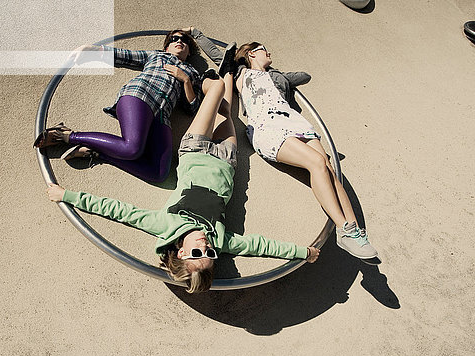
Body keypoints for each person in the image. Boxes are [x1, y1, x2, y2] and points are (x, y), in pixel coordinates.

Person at [46, 65, 320, 293]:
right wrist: (302, 252)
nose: (206, 249)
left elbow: (119, 211)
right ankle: (230, 68)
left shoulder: (166, 225)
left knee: (216, 90)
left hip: (195, 149)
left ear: (180, 253)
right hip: (227, 158)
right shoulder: (222, 241)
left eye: (197, 254)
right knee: (229, 111)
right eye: (210, 256)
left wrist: (67, 196)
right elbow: (260, 246)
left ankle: (201, 81)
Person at [191, 30, 377, 260]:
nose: (269, 52)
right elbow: (218, 55)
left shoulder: (278, 76)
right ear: (251, 53)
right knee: (317, 162)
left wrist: (280, 76)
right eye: (264, 49)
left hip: (294, 121)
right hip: (268, 124)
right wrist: (196, 34)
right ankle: (344, 230)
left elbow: (304, 76)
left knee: (328, 167)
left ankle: (356, 231)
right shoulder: (239, 72)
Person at [34, 30, 204, 183]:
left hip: (162, 117)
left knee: (159, 173)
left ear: (189, 51)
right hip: (140, 96)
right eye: (174, 38)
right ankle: (67, 135)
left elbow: (192, 108)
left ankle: (97, 153)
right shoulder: (156, 56)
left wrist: (186, 80)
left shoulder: (193, 74)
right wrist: (92, 50)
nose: (179, 41)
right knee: (132, 149)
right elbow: (125, 56)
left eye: (185, 40)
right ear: (167, 47)